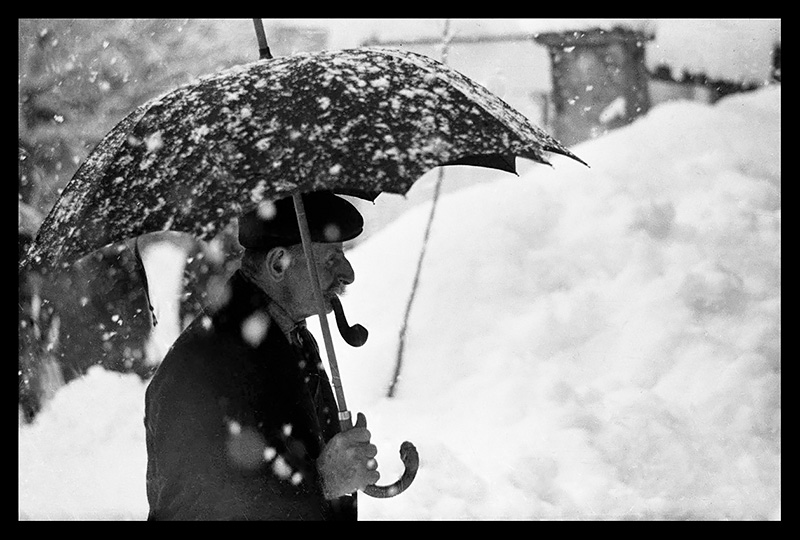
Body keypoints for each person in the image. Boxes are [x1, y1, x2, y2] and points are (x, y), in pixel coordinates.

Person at [144, 191, 380, 520]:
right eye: (330, 259)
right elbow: (193, 508)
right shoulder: (199, 366)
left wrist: (341, 470)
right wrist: (321, 483)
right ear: (277, 263)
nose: (348, 273)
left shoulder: (292, 338)